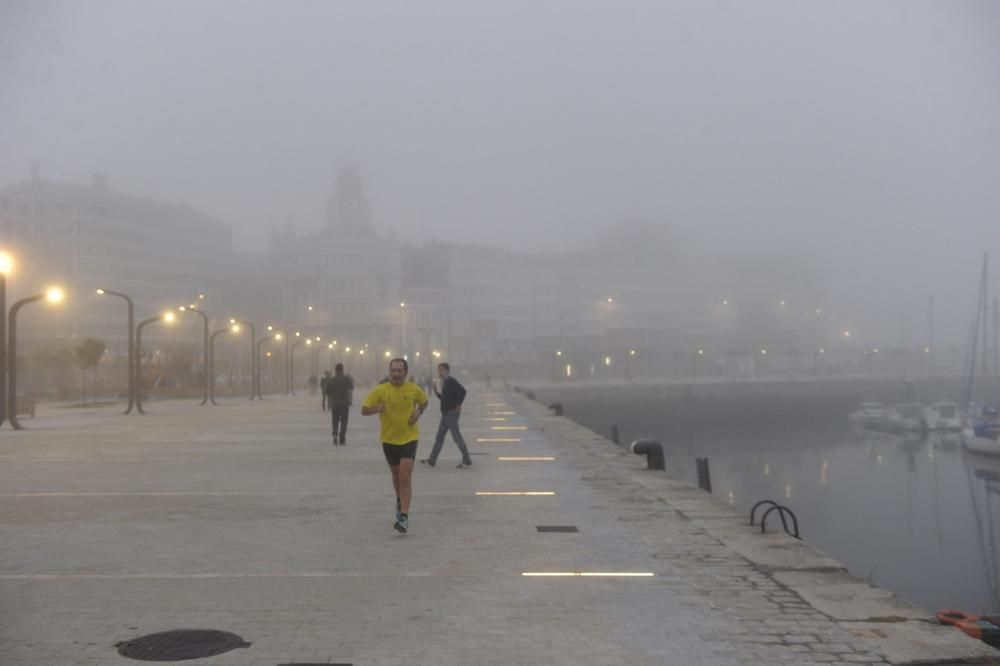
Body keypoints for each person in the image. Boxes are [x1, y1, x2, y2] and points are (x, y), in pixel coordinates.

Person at [361, 358, 428, 534]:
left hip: (409, 437)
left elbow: (424, 402)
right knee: (396, 475)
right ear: (389, 371)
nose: (396, 374)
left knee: (405, 476)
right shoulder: (380, 390)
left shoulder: (414, 389)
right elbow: (364, 409)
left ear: (405, 372)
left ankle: (404, 516)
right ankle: (399, 499)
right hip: (389, 440)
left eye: (400, 371)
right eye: (394, 370)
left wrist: (418, 413)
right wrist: (377, 409)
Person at [421, 362, 471, 468]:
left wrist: (458, 404)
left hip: (451, 413)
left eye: (442, 370)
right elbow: (444, 399)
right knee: (439, 437)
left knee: (456, 437)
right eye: (438, 370)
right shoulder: (445, 382)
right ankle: (432, 460)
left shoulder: (450, 380)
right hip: (445, 414)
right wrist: (435, 392)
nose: (439, 372)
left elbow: (463, 391)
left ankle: (467, 458)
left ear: (447, 370)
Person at [324, 363, 353, 445]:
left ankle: (335, 433)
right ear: (342, 369)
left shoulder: (332, 379)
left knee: (335, 420)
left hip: (335, 403)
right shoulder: (346, 378)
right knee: (344, 421)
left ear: (335, 370)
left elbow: (327, 391)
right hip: (344, 404)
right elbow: (351, 386)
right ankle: (342, 437)